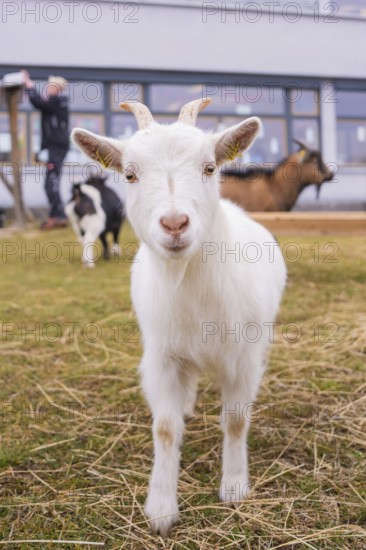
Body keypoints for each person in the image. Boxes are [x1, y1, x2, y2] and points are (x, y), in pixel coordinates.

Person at [22, 71, 69, 229]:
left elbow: (38, 102)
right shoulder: (53, 103)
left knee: (51, 182)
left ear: (57, 88)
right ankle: (57, 215)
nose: (48, 87)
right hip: (54, 148)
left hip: (57, 149)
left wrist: (29, 85)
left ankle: (58, 216)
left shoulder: (58, 102)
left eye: (51, 85)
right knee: (50, 182)